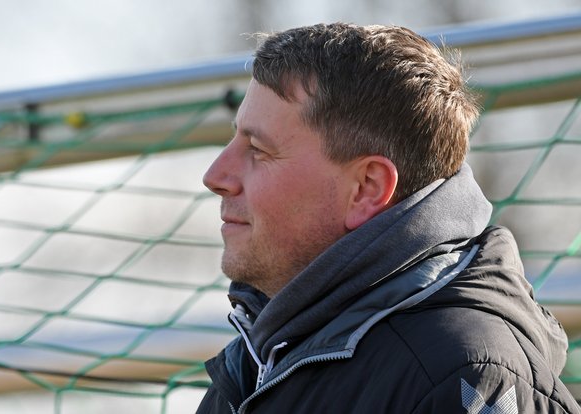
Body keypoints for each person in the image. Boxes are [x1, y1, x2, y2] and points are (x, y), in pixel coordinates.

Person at [198, 23, 580, 413]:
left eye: (258, 150)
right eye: (233, 139)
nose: (215, 177)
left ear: (367, 188)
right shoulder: (252, 366)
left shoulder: (463, 377)